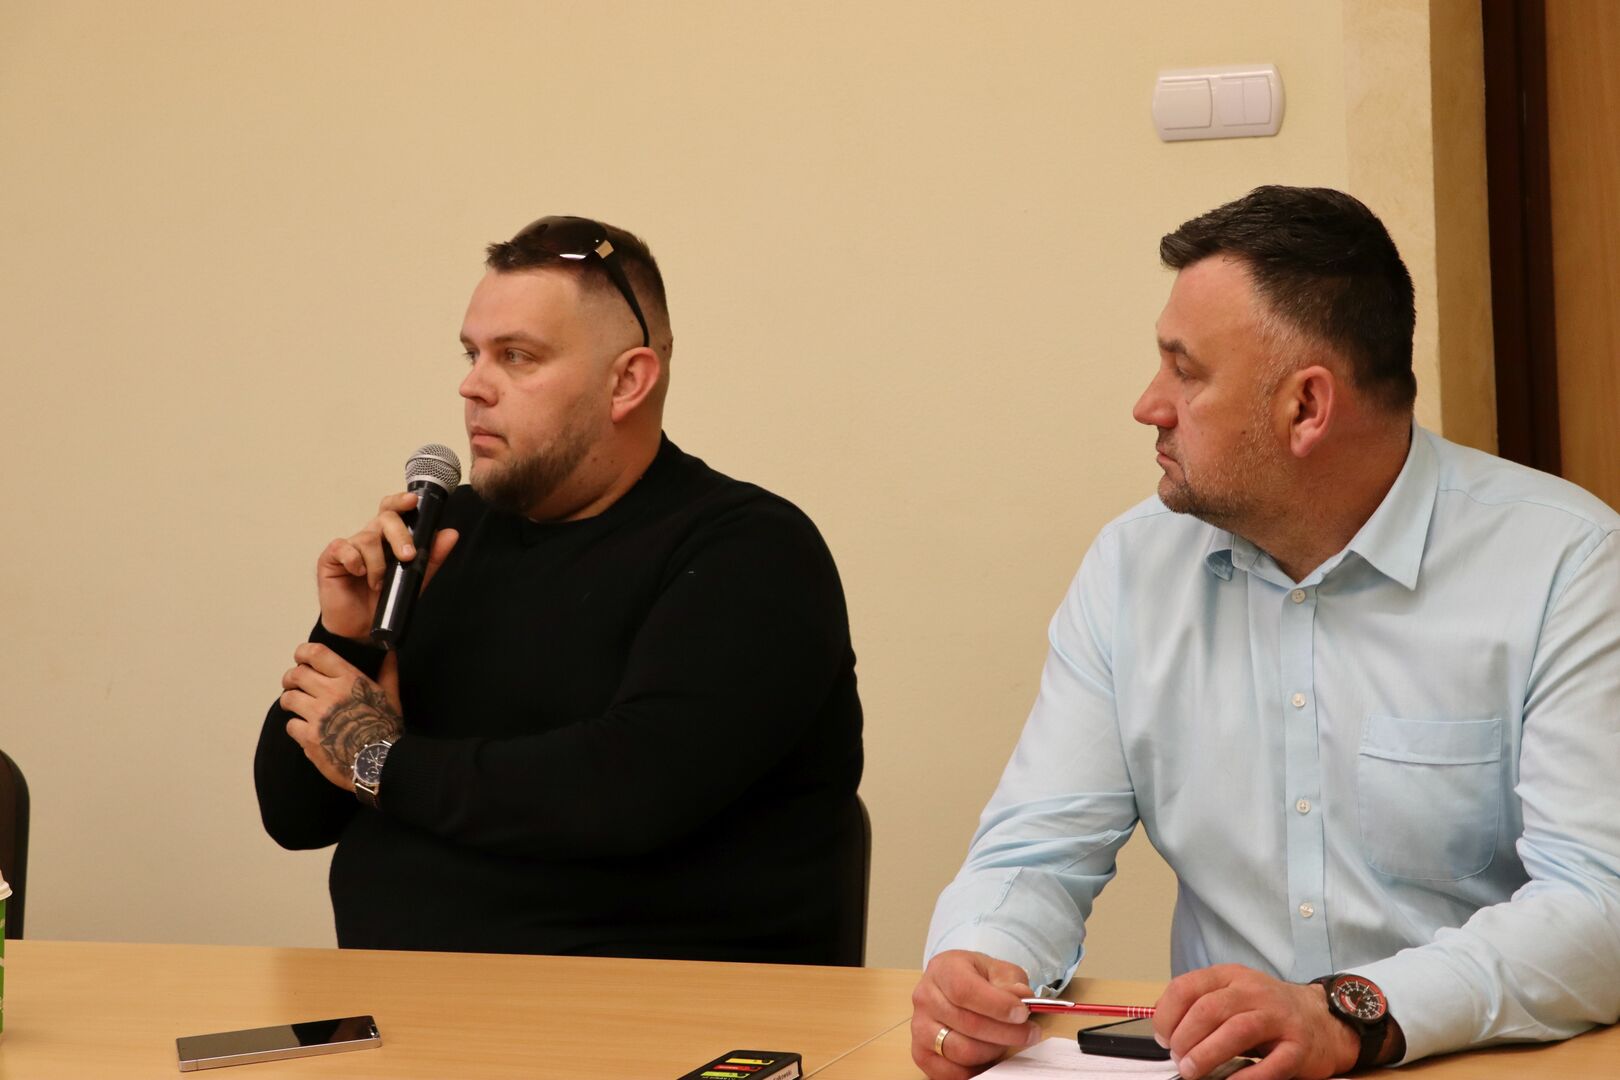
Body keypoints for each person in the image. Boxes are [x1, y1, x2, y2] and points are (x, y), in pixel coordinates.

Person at [911, 187, 1620, 1079]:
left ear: (1306, 407)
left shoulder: (1567, 564)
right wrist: (982, 960)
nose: (1148, 404)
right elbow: (1035, 851)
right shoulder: (1135, 567)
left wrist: (1347, 1012)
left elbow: (1601, 905)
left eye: (1185, 371)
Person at [255, 215, 865, 965]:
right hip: (397, 1001)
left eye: (517, 357)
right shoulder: (443, 537)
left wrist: (382, 762)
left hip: (643, 1006)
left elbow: (625, 790)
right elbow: (293, 815)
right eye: (473, 353)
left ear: (627, 381)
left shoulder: (750, 551)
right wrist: (347, 634)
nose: (472, 386)